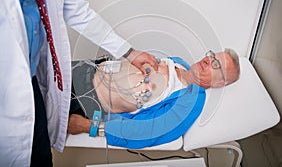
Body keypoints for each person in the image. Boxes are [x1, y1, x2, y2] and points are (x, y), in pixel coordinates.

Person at [0, 0, 158, 166]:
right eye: (211, 57)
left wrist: (129, 53)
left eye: (211, 61)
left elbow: (77, 10)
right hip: (10, 82)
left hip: (37, 85)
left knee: (39, 158)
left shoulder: (187, 97)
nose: (208, 60)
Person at [67, 49, 240, 148]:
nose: (208, 60)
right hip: (82, 67)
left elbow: (145, 131)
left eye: (216, 65)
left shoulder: (190, 101)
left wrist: (88, 126)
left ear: (219, 83)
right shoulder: (177, 62)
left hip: (83, 99)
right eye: (212, 56)